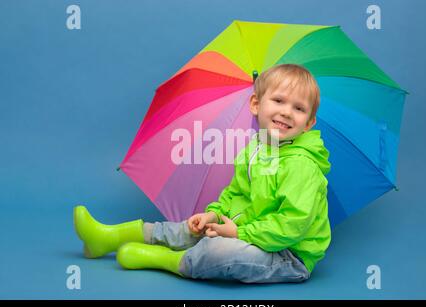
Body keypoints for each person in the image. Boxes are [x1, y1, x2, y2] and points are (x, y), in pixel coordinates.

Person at [73, 63, 331, 283]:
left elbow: (292, 225)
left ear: (309, 123)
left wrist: (238, 234)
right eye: (278, 100)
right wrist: (215, 214)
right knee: (193, 228)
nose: (287, 112)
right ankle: (110, 237)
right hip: (248, 231)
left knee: (218, 250)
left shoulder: (301, 165)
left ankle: (171, 260)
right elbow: (236, 194)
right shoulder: (256, 150)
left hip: (287, 254)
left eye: (299, 109)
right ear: (255, 104)